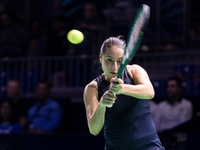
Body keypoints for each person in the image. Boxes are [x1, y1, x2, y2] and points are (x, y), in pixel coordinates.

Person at [83, 36, 164, 150]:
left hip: (150, 147)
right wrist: (102, 105)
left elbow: (149, 92)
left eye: (120, 61)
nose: (114, 67)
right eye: (109, 60)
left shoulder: (134, 71)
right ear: (101, 58)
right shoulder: (92, 88)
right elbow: (94, 130)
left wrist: (122, 89)